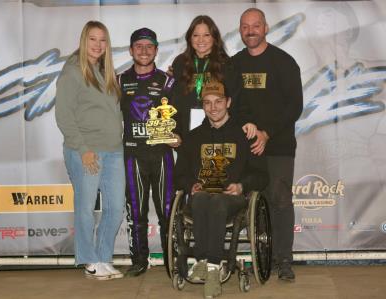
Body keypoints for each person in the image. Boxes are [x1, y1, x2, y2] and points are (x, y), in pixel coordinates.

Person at [228, 8, 303, 281]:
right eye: (245, 26)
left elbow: (294, 106)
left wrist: (266, 134)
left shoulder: (284, 62)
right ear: (240, 30)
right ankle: (263, 259)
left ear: (266, 28)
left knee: (280, 202)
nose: (251, 31)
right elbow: (231, 104)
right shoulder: (234, 64)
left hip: (278, 146)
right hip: (245, 147)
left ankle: (283, 261)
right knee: (248, 205)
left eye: (256, 25)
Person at [174, 81, 268, 299]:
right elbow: (179, 175)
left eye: (218, 102)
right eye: (207, 103)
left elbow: (262, 175)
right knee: (199, 199)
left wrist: (242, 186)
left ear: (228, 102)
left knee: (216, 201)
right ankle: (204, 262)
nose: (213, 108)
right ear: (203, 106)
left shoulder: (245, 135)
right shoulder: (193, 137)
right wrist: (191, 186)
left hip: (232, 199)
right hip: (203, 197)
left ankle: (212, 267)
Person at [55, 20, 125, 280]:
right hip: (85, 151)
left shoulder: (105, 72)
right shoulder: (72, 71)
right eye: (93, 39)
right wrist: (83, 149)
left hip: (114, 151)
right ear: (84, 41)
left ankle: (104, 257)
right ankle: (88, 259)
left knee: (116, 207)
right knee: (85, 208)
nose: (98, 45)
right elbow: (64, 115)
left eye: (102, 40)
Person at [117, 27, 180, 277]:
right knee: (136, 211)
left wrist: (180, 136)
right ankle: (139, 260)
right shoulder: (120, 80)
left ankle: (171, 261)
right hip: (133, 156)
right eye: (139, 46)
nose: (144, 51)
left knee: (167, 211)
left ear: (156, 50)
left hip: (162, 155)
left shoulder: (167, 81)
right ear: (131, 50)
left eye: (149, 46)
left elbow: (182, 115)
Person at [171, 15, 229, 139]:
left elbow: (233, 99)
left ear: (214, 38)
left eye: (206, 35)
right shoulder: (180, 62)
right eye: (196, 35)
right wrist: (175, 131)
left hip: (218, 132)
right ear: (189, 38)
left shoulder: (226, 63)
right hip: (185, 132)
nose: (201, 40)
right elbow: (174, 99)